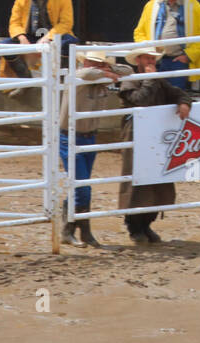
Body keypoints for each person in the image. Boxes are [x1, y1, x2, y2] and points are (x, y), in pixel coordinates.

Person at [117, 47, 193, 244]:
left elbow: (177, 93)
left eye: (152, 57)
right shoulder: (131, 80)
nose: (150, 60)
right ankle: (134, 226)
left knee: (158, 178)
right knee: (137, 177)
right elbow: (140, 100)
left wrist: (183, 102)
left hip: (155, 133)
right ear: (138, 60)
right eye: (146, 57)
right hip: (136, 132)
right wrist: (151, 79)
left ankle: (146, 223)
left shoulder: (157, 80)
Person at [58, 50, 127, 247]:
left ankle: (74, 230)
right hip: (69, 137)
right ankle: (78, 230)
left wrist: (109, 70)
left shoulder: (98, 76)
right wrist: (107, 73)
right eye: (93, 62)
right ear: (85, 61)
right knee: (82, 186)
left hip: (88, 137)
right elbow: (86, 74)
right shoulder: (79, 75)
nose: (94, 66)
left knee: (82, 184)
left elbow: (127, 70)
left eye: (99, 63)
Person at [133, 0, 200, 92]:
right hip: (154, 61)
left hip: (177, 61)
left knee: (176, 96)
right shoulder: (151, 5)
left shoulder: (193, 5)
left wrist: (188, 56)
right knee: (153, 96)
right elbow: (139, 32)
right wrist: (147, 53)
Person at [0, 0, 77, 82]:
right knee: (5, 45)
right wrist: (22, 38)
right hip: (29, 36)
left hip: (55, 35)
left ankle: (61, 80)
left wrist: (48, 37)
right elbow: (14, 23)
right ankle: (25, 81)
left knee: (69, 41)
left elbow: (66, 23)